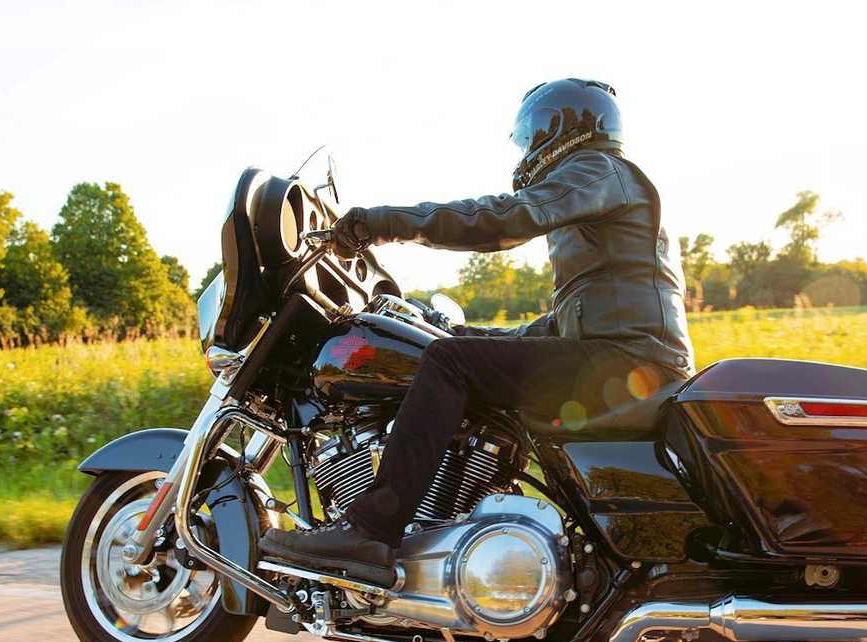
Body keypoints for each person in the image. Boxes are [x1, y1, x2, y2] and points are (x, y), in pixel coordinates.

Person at [260, 78, 695, 587]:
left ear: (557, 128)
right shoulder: (604, 189)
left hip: (627, 362)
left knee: (449, 364)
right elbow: (562, 325)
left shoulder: (596, 170)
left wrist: (378, 224)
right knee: (455, 353)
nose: (527, 147)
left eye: (531, 134)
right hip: (624, 358)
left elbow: (501, 219)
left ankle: (370, 530)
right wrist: (462, 331)